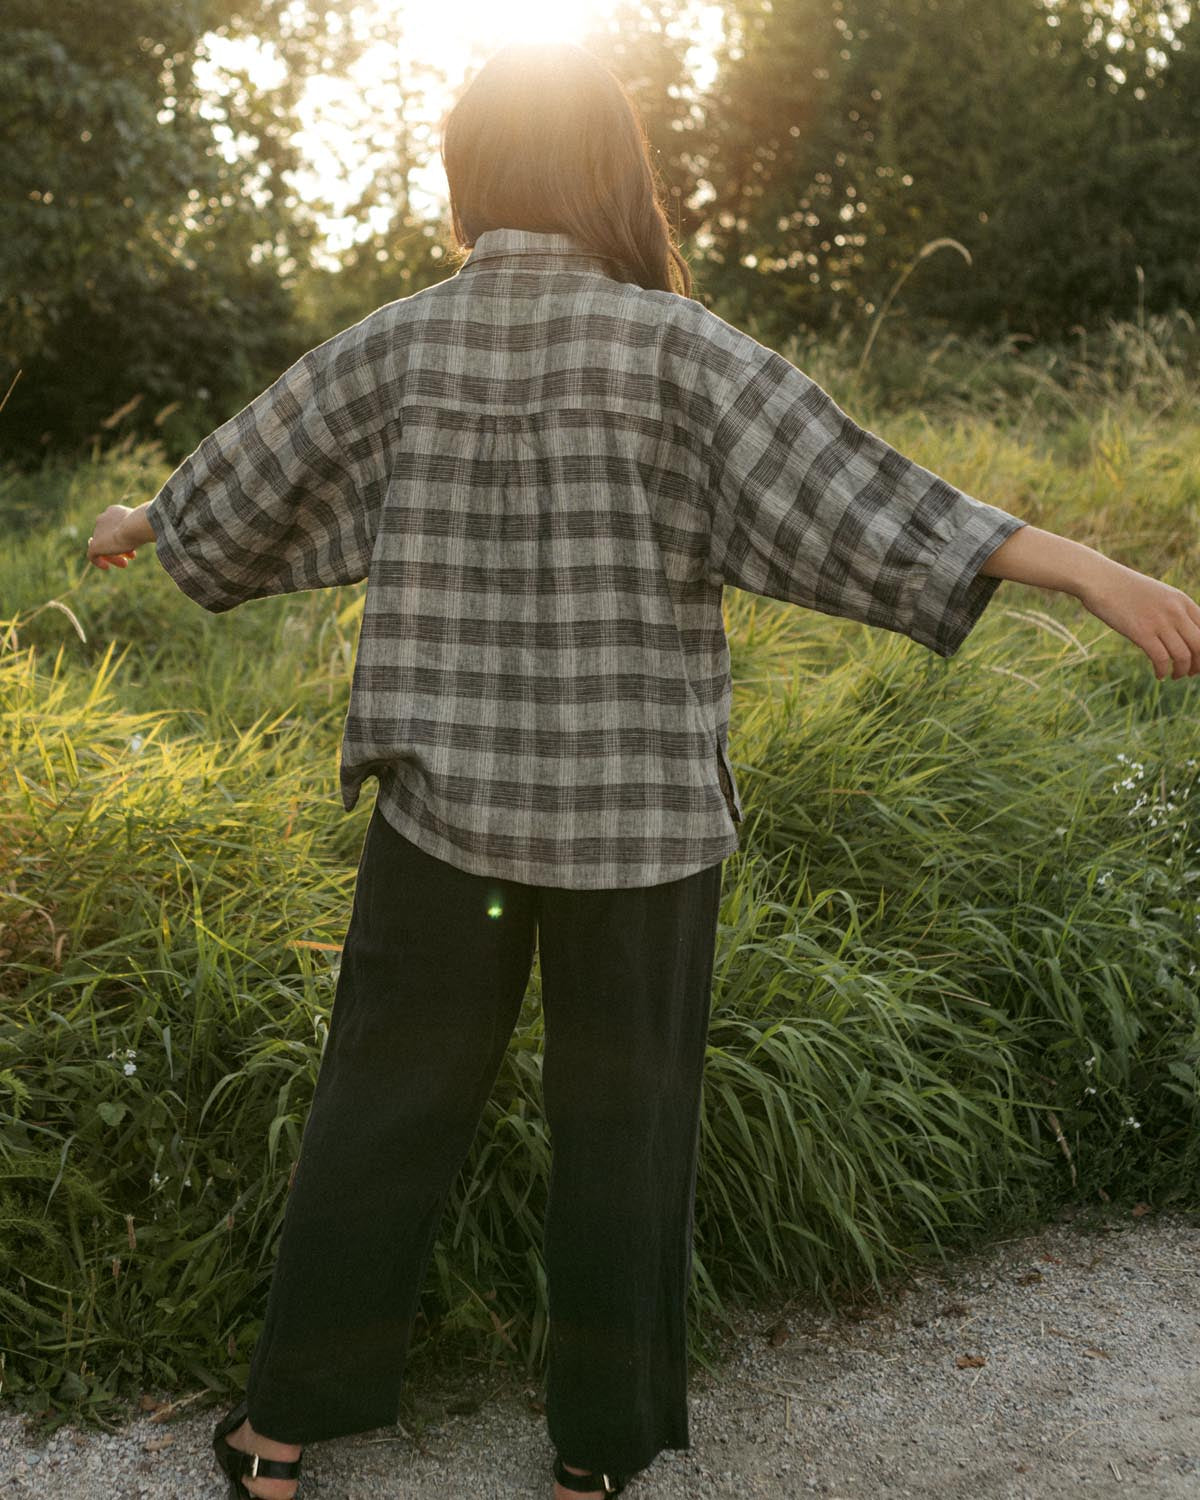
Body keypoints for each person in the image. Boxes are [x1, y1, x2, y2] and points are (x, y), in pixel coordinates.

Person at [87, 38, 1200, 1500]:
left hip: (447, 822)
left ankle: (281, 1434)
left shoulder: (403, 340)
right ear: (615, 171)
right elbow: (864, 494)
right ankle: (597, 1454)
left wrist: (144, 522)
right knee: (627, 1140)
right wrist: (1088, 567)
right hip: (645, 833)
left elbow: (241, 483)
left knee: (379, 1114)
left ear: (470, 176)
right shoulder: (679, 348)